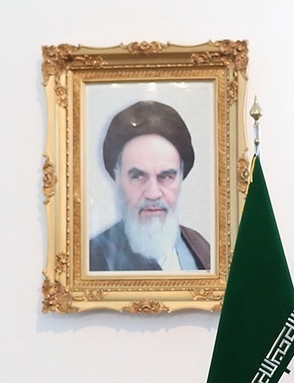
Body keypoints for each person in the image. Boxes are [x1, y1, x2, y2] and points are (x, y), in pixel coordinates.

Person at [88, 100, 212, 273]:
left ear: (181, 176)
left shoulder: (200, 246)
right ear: (117, 177)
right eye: (138, 176)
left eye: (166, 177)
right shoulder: (93, 257)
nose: (153, 194)